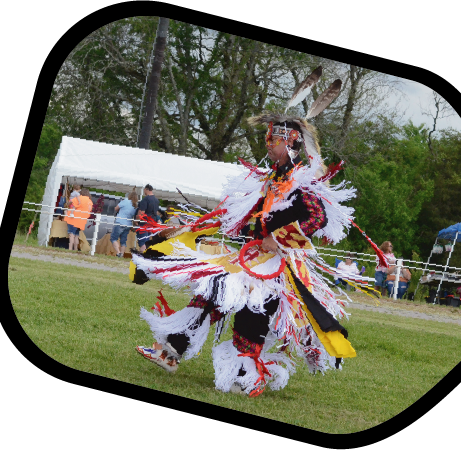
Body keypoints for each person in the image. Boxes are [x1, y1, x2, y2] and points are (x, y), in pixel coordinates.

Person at [132, 68, 386, 397]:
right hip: (254, 257)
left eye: (275, 139)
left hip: (279, 267)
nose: (268, 144)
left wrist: (278, 239)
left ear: (292, 141)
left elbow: (317, 218)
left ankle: (245, 376)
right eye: (267, 138)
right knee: (211, 295)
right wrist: (203, 228)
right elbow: (249, 216)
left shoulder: (300, 180)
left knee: (251, 321)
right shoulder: (271, 177)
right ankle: (170, 352)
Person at [111, 190, 138, 257]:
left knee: (113, 238)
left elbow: (116, 208)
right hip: (128, 224)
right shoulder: (135, 205)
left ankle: (118, 252)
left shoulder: (125, 201)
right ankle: (122, 254)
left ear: (129, 196)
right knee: (123, 240)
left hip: (120, 222)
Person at [135, 184, 160, 252]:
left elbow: (141, 212)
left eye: (144, 190)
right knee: (147, 241)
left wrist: (136, 221)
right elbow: (156, 213)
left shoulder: (146, 199)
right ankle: (147, 256)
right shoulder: (156, 200)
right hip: (152, 223)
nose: (144, 192)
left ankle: (142, 257)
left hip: (144, 223)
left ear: (146, 189)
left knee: (142, 242)